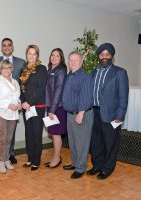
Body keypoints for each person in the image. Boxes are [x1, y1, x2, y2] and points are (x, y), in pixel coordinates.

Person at [87, 43, 129, 180]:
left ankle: (107, 168)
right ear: (98, 56)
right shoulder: (93, 72)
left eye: (107, 54)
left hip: (111, 115)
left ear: (111, 56)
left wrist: (120, 116)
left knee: (110, 143)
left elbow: (123, 97)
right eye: (102, 54)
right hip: (94, 112)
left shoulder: (120, 72)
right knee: (96, 142)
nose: (104, 57)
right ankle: (97, 165)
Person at [0, 38, 25, 164]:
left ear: (12, 47)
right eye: (4, 45)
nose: (6, 47)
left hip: (14, 107)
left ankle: (10, 155)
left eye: (9, 45)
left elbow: (23, 84)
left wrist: (20, 103)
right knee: (2, 136)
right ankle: (1, 159)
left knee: (10, 135)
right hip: (1, 107)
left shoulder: (21, 62)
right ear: (1, 47)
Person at [62, 51, 94, 179]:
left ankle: (81, 168)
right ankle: (75, 163)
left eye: (76, 60)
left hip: (81, 114)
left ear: (81, 62)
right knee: (73, 142)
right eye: (71, 60)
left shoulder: (85, 76)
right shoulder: (69, 75)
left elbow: (86, 97)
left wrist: (80, 113)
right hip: (70, 114)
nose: (73, 62)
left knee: (81, 143)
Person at [19, 45, 47, 171]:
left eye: (34, 54)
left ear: (37, 56)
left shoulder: (41, 69)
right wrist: (24, 102)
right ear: (26, 55)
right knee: (28, 134)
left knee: (36, 134)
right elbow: (20, 89)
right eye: (29, 53)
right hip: (26, 107)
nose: (31, 56)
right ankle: (30, 159)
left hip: (37, 106)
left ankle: (36, 160)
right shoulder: (23, 69)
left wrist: (29, 102)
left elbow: (41, 89)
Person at [0, 60, 22, 173]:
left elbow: (17, 97)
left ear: (11, 69)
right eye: (4, 68)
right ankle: (1, 161)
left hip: (12, 114)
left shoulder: (15, 82)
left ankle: (7, 159)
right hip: (1, 113)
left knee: (9, 139)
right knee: (2, 139)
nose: (6, 70)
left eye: (8, 67)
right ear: (0, 69)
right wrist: (8, 105)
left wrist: (18, 104)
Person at [44, 48, 67, 168]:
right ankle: (56, 156)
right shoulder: (50, 70)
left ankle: (56, 158)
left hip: (57, 107)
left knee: (56, 134)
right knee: (53, 133)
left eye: (57, 56)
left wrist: (52, 110)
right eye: (52, 55)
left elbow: (58, 90)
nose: (54, 57)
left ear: (61, 58)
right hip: (50, 106)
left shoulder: (61, 71)